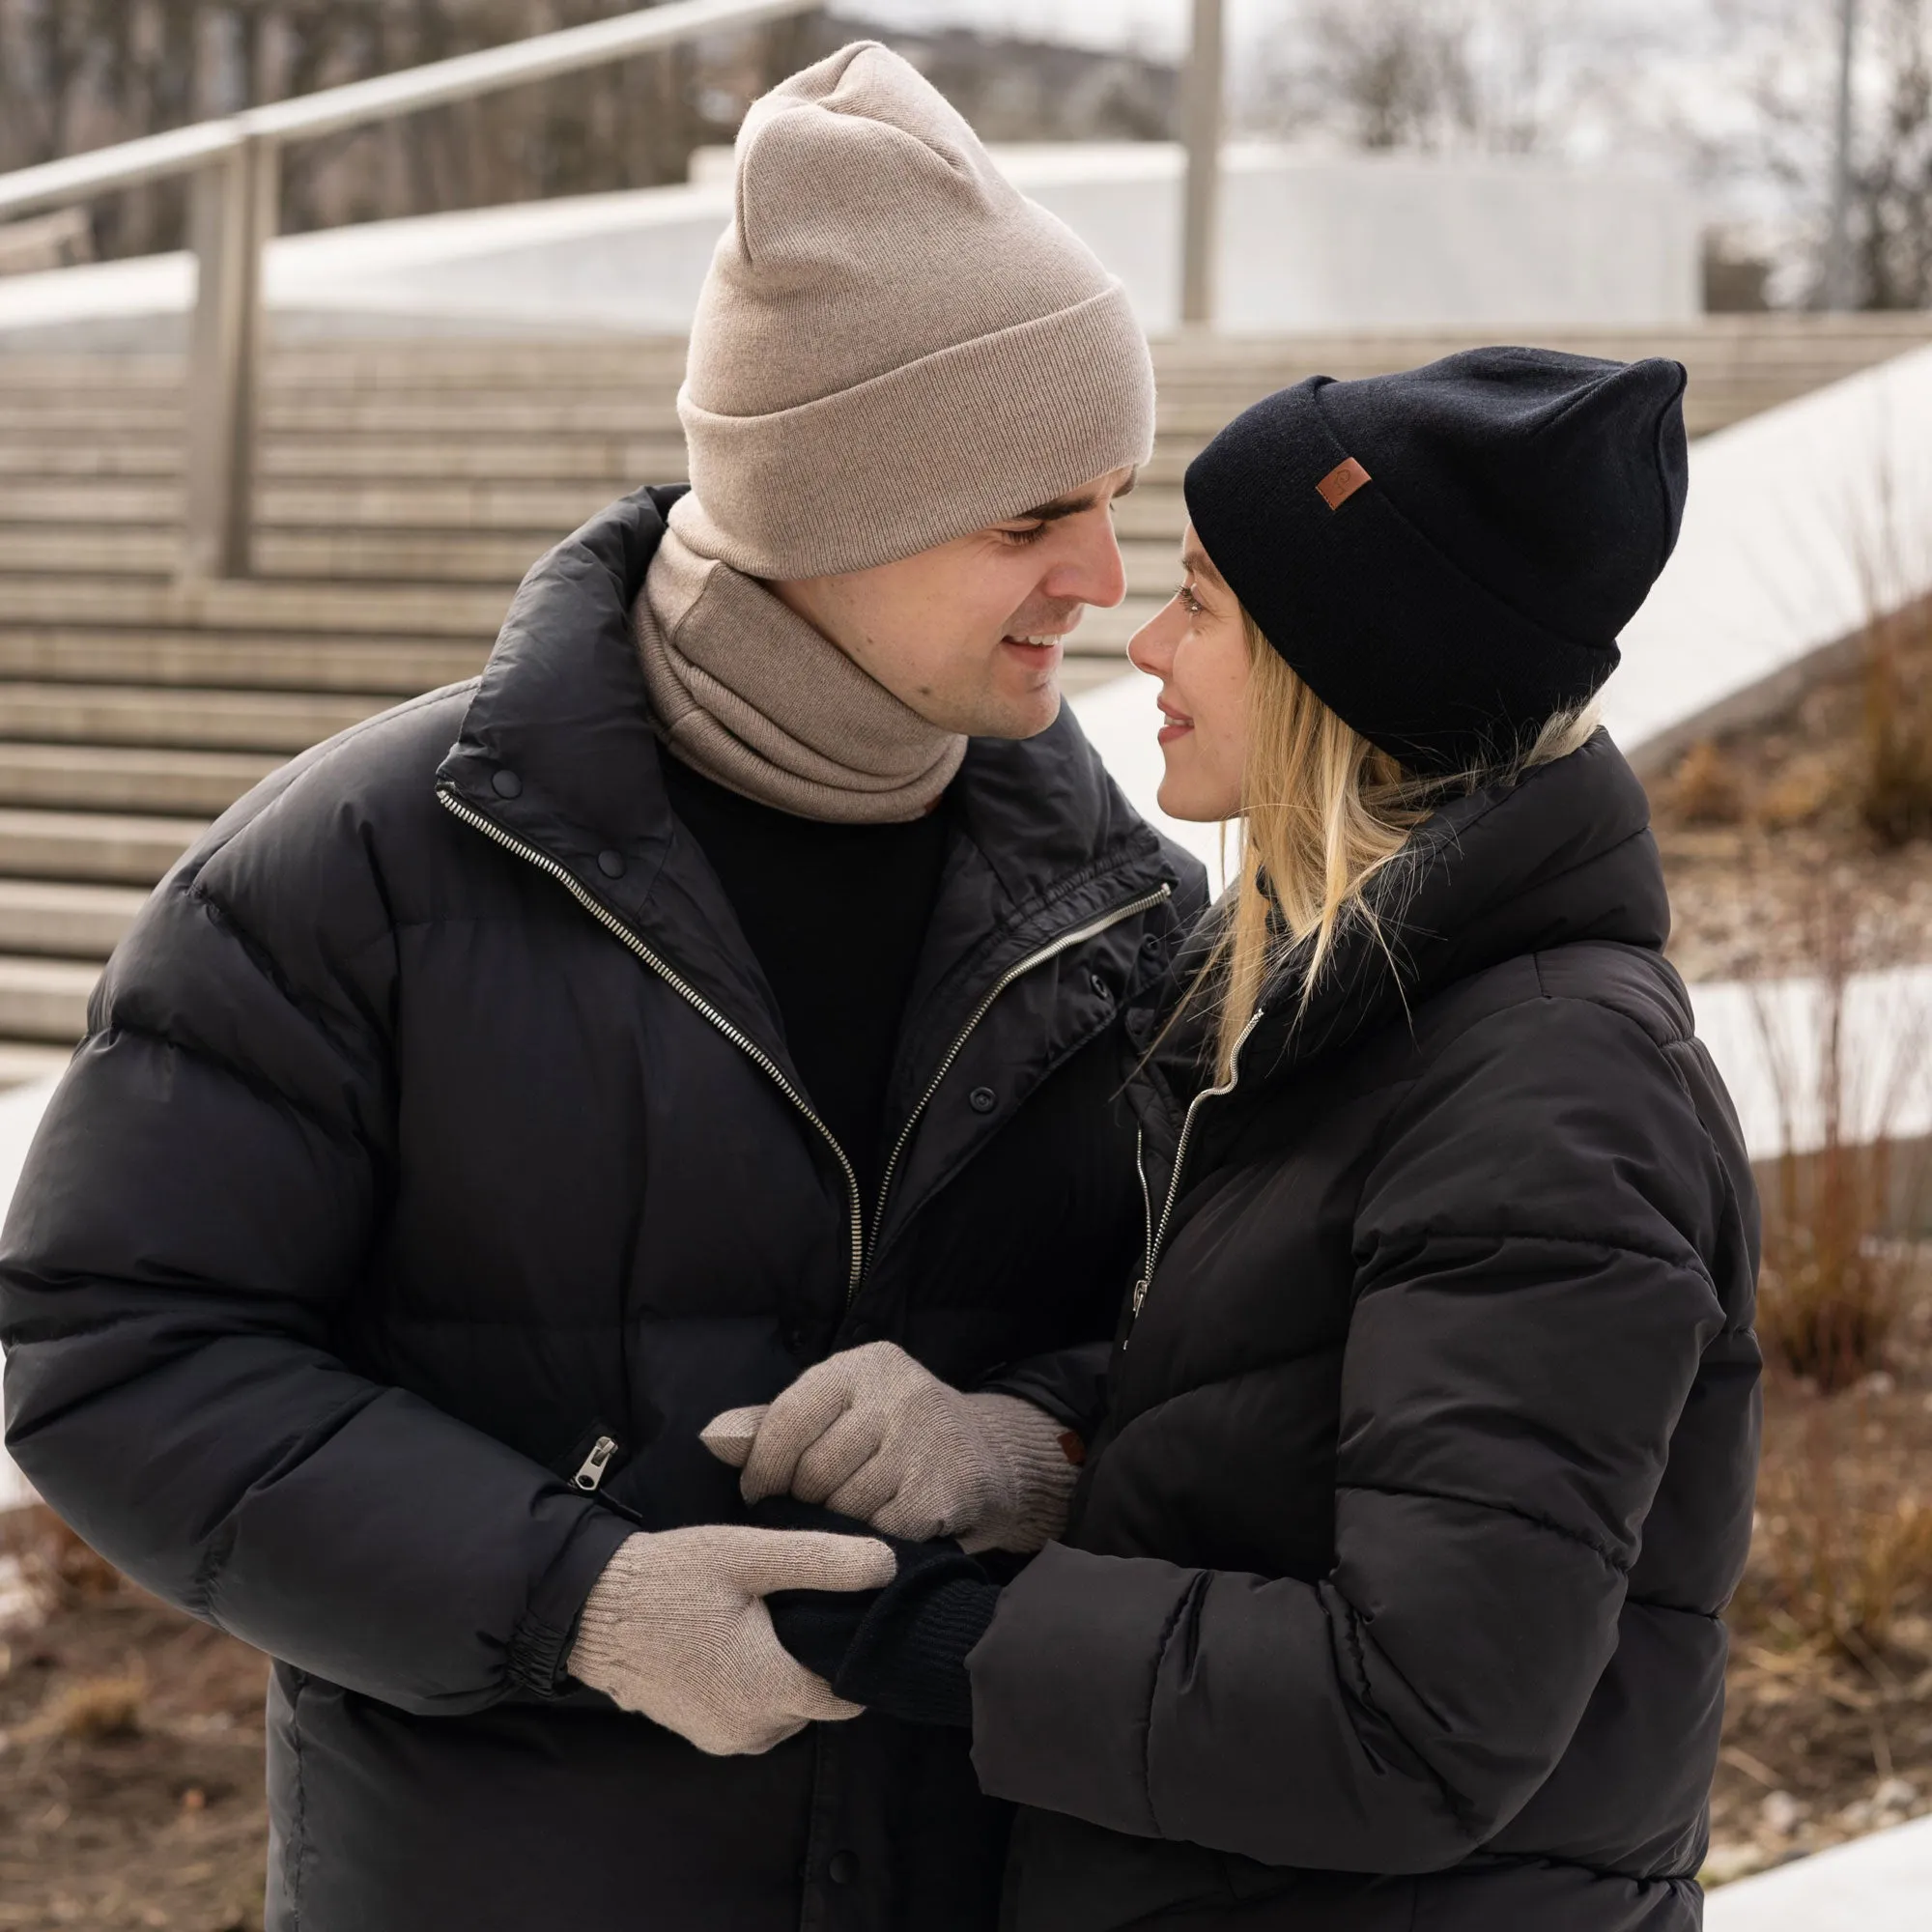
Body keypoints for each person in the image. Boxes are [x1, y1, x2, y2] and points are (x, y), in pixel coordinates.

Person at [0, 43, 1204, 1932]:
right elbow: (118, 1346)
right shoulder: (353, 875)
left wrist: (1033, 1439)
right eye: (1028, 516)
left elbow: (1262, 1335)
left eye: (1113, 497)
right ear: (827, 502)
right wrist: (577, 1600)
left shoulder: (1127, 911)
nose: (1105, 575)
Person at [738, 349, 1765, 1931]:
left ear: (1343, 671)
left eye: (1204, 603)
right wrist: (1024, 1445)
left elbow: (1422, 1721)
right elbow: (1301, 1398)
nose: (1145, 641)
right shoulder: (1342, 1014)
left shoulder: (1553, 1096)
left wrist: (945, 1633)